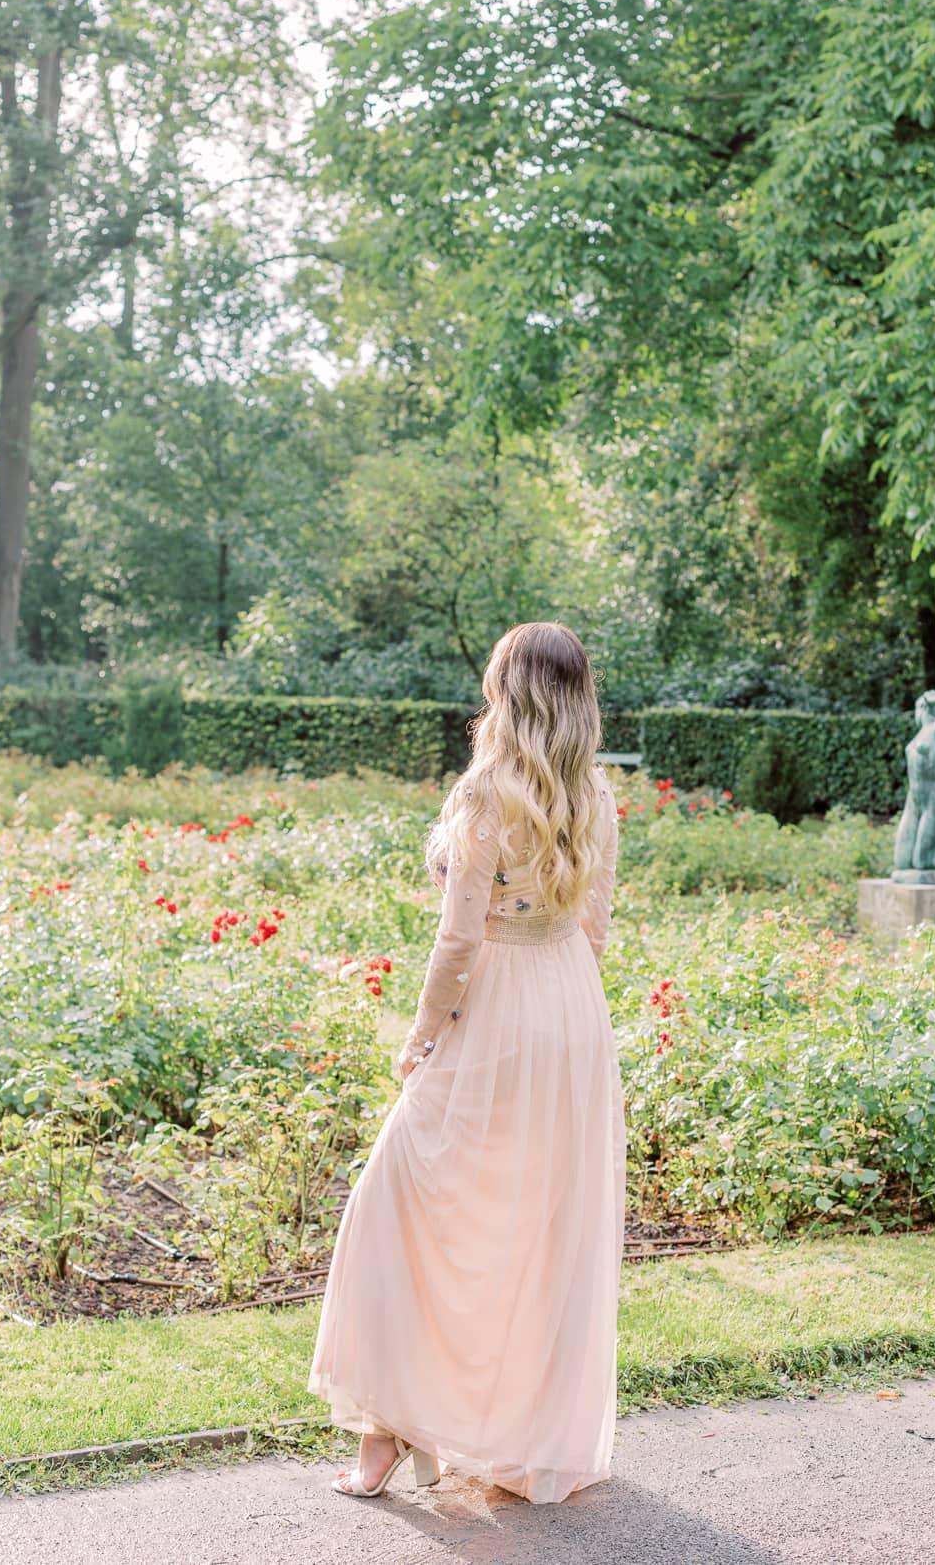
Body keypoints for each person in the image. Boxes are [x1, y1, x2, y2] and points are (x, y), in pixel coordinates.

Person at [307, 620, 625, 1504]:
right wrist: (558, 1015)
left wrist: (423, 1037)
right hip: (569, 1006)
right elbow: (593, 929)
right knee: (533, 1224)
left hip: (498, 1003)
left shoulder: (487, 793)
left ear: (506, 692)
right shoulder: (594, 795)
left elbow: (458, 939)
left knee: (394, 1200)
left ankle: (389, 1430)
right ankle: (493, 1433)